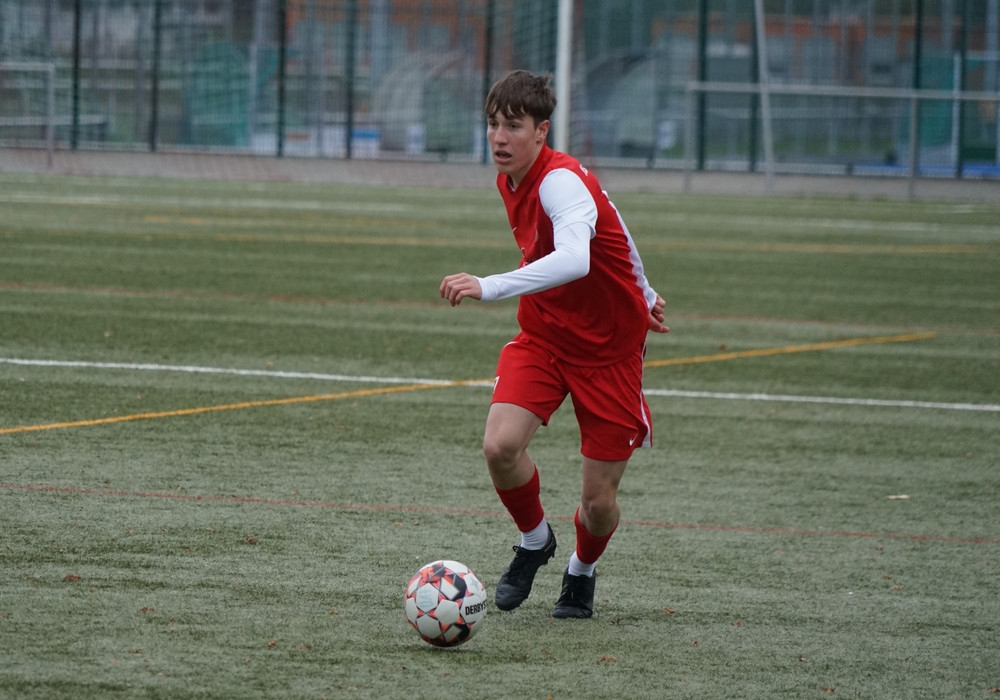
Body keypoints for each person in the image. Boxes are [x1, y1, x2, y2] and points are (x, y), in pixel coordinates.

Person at [439, 70, 668, 619]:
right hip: (543, 335)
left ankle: (580, 571)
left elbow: (575, 259)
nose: (499, 138)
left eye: (513, 126)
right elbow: (614, 223)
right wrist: (644, 288)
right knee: (500, 447)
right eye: (492, 124)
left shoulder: (558, 181)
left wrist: (489, 285)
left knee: (598, 504)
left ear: (542, 131)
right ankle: (535, 540)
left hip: (608, 353)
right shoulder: (511, 178)